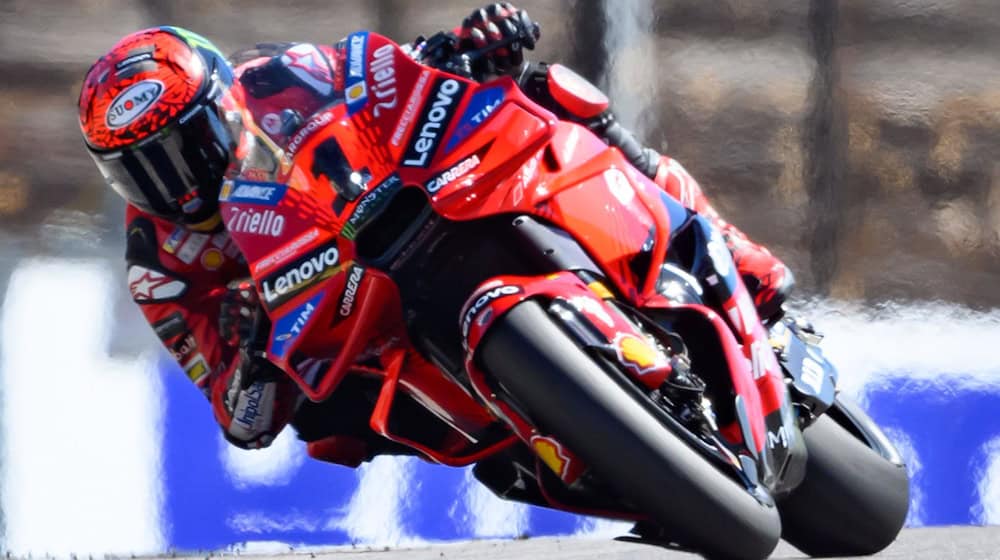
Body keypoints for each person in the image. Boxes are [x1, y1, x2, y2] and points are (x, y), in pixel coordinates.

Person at [78, 4, 792, 462]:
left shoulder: (277, 76)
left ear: (224, 102)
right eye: (141, 171)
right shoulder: (161, 268)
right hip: (342, 335)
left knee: (548, 92)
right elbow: (242, 422)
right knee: (334, 429)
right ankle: (544, 443)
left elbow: (378, 80)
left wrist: (461, 48)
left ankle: (727, 250)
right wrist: (250, 361)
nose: (175, 184)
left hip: (398, 212)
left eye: (184, 148)